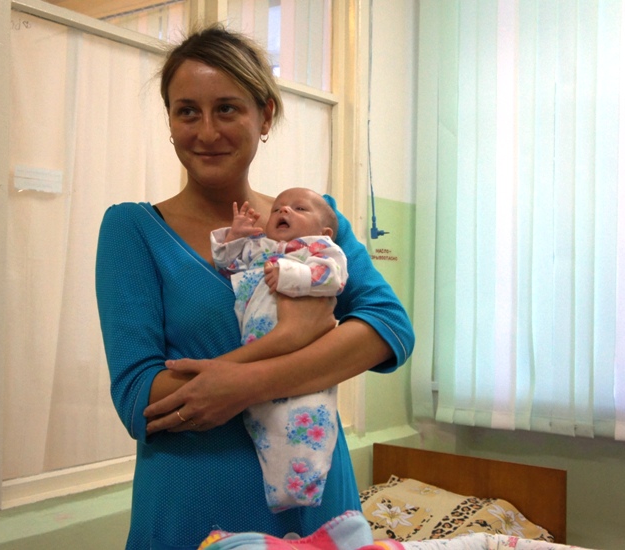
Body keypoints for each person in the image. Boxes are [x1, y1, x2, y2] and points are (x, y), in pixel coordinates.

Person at [95, 24, 415, 550]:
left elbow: (389, 330)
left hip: (316, 502)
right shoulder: (133, 230)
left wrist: (239, 384)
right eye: (187, 111)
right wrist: (301, 340)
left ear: (265, 115)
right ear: (170, 120)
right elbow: (140, 397)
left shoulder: (312, 219)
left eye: (227, 108)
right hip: (194, 504)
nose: (206, 132)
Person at [211, 188, 348, 512]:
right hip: (259, 357)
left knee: (305, 421)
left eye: (299, 208)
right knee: (265, 424)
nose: (284, 211)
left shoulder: (320, 249)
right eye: (277, 209)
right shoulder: (262, 247)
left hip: (304, 362)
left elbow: (333, 279)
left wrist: (288, 274)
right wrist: (235, 237)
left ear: (325, 231)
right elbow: (228, 265)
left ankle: (301, 487)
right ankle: (279, 487)